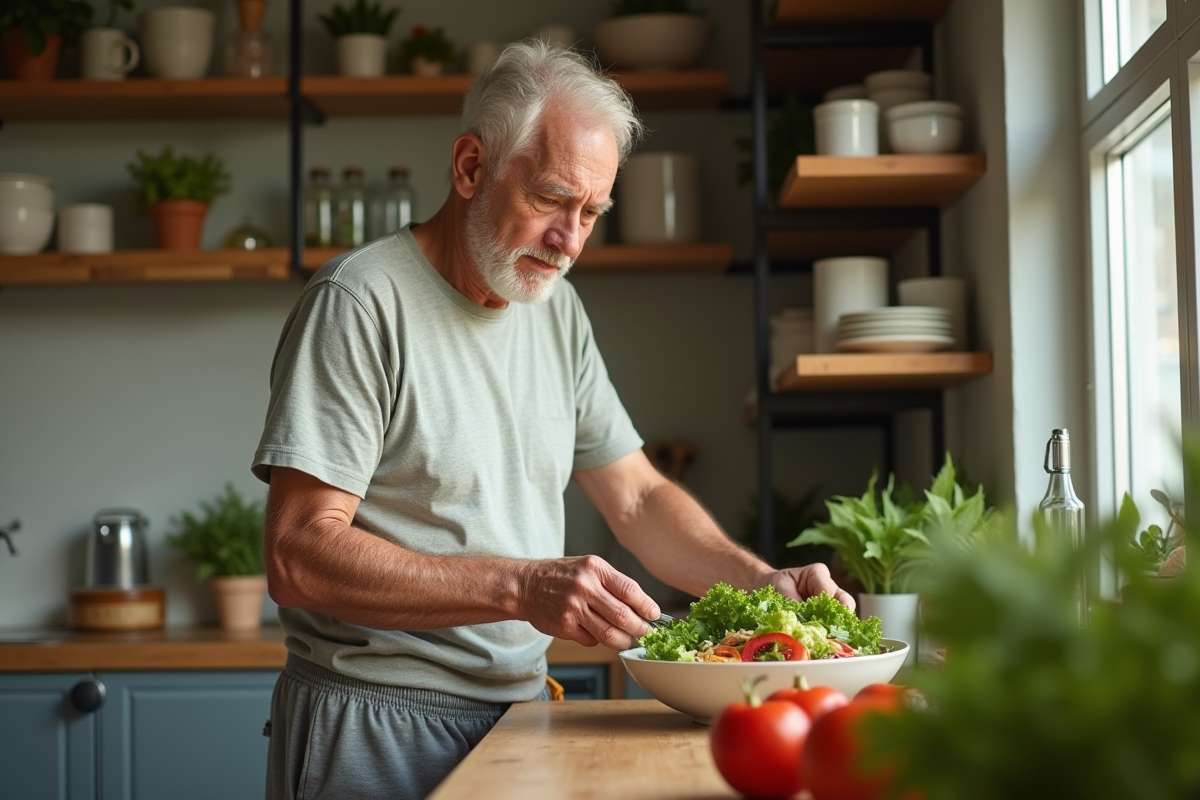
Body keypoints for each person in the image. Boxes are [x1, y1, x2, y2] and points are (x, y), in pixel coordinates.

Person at [252, 39, 853, 800]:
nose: (569, 241)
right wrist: (523, 587)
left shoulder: (554, 309)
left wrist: (762, 583)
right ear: (471, 167)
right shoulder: (359, 302)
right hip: (375, 720)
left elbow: (635, 497)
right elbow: (297, 557)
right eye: (550, 200)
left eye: (591, 213)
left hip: (518, 714)